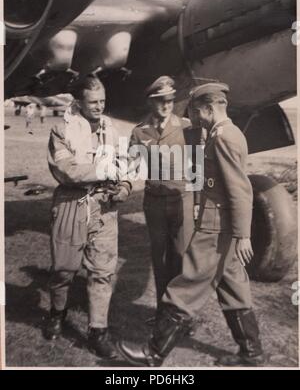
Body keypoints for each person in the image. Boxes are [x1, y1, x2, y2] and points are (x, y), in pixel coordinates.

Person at [118, 82, 264, 367]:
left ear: (210, 108)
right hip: (222, 226)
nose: (195, 117)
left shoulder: (223, 137)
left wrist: (243, 235)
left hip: (215, 228)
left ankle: (153, 353)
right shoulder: (227, 133)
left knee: (185, 285)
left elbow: (240, 190)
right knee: (232, 286)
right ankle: (252, 352)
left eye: (198, 111)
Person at [45, 75, 131, 359]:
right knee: (63, 269)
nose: (99, 106)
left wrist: (125, 186)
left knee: (103, 272)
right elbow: (65, 170)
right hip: (72, 204)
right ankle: (57, 313)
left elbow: (124, 162)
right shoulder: (62, 130)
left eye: (103, 101)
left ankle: (98, 331)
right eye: (93, 102)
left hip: (105, 208)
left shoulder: (113, 128)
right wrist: (103, 173)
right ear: (79, 102)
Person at [129, 76, 195, 310]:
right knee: (160, 258)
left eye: (169, 100)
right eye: (160, 101)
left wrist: (197, 201)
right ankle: (163, 311)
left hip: (182, 199)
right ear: (151, 102)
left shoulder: (187, 127)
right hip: (154, 202)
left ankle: (181, 314)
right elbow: (130, 166)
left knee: (182, 256)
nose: (166, 105)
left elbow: (199, 166)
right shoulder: (139, 132)